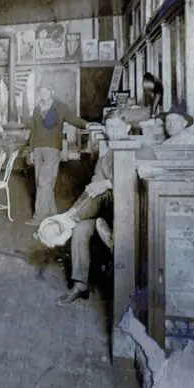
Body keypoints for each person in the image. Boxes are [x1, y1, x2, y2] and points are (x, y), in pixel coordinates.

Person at [56, 122, 157, 307]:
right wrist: (98, 185)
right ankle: (80, 287)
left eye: (118, 126)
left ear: (127, 128)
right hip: (107, 213)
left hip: (135, 213)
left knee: (105, 191)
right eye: (109, 127)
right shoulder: (105, 158)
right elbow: (94, 189)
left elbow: (144, 181)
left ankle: (67, 220)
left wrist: (108, 184)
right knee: (80, 230)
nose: (113, 131)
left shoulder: (141, 149)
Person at [26, 86, 100, 227]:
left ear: (52, 92)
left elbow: (73, 119)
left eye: (46, 90)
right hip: (38, 149)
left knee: (44, 181)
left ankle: (40, 217)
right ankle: (51, 214)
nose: (43, 93)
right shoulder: (37, 107)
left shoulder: (60, 107)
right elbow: (34, 130)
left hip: (53, 148)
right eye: (40, 91)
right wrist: (31, 150)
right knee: (42, 183)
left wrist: (87, 125)